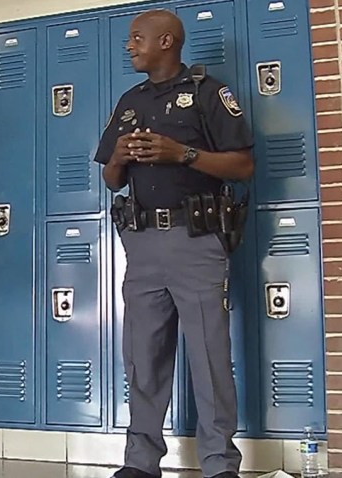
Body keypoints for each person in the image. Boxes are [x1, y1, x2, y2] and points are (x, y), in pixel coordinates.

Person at [93, 9, 255, 478]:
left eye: (137, 38)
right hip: (141, 245)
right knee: (141, 358)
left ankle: (220, 464)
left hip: (196, 240)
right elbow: (109, 179)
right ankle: (140, 465)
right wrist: (119, 159)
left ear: (167, 42)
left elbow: (243, 166)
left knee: (209, 357)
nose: (129, 46)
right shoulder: (129, 102)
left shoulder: (208, 94)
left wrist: (181, 153)